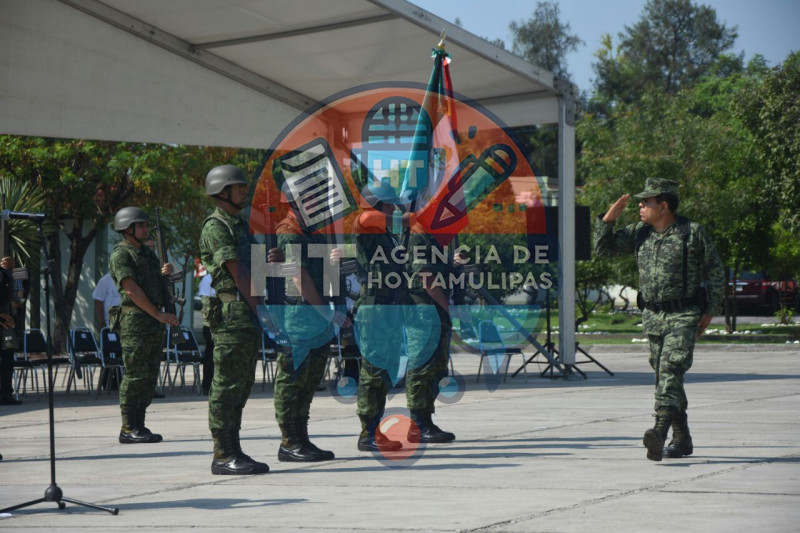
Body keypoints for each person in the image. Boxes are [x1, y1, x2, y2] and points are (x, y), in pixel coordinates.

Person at [595, 178, 724, 461]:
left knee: (671, 368)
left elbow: (714, 271)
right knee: (665, 376)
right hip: (653, 316)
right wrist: (607, 220)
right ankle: (682, 439)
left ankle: (659, 430)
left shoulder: (692, 233)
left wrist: (711, 310)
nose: (640, 206)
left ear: (663, 205)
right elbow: (603, 251)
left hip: (684, 314)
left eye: (646, 202)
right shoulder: (640, 232)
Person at [200, 164, 278, 475]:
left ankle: (233, 448)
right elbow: (237, 272)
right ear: (222, 192)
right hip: (234, 313)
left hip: (245, 313)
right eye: (239, 187)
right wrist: (262, 309)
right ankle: (222, 453)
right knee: (227, 384)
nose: (245, 191)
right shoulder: (216, 226)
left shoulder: (238, 224)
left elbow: (254, 271)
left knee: (241, 384)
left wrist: (270, 264)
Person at [273, 204, 341, 462]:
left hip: (316, 315)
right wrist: (327, 313)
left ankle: (301, 438)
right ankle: (289, 441)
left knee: (309, 381)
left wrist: (333, 261)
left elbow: (321, 272)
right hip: (300, 316)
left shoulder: (313, 233)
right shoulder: (290, 232)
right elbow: (298, 277)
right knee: (292, 381)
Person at [108, 207, 180, 444]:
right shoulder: (122, 255)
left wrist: (167, 272)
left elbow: (157, 283)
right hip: (136, 322)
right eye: (142, 226)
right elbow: (131, 290)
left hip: (152, 322)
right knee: (136, 374)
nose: (146, 229)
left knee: (149, 375)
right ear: (129, 229)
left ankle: (139, 424)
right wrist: (157, 316)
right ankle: (128, 427)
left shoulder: (147, 254)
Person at [351, 189, 405, 452]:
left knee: (384, 370)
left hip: (389, 307)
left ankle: (375, 428)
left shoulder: (387, 234)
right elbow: (364, 220)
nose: (395, 209)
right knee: (373, 371)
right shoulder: (367, 225)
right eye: (391, 205)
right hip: (374, 308)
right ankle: (367, 432)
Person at [0, 255, 25, 406]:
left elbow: (20, 300)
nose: (7, 262)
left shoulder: (16, 273)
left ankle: (6, 394)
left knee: (7, 360)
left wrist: (8, 312)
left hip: (9, 324)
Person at [196, 272, 215, 395]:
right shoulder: (208, 279)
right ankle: (207, 386)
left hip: (227, 323)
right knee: (210, 356)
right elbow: (206, 303)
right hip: (211, 324)